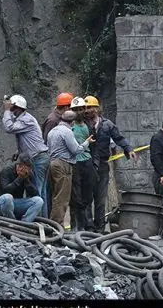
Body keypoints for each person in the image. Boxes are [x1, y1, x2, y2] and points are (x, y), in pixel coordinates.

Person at [83, 95, 136, 233]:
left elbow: (119, 138)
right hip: (87, 165)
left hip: (102, 165)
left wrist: (128, 149)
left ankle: (99, 227)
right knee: (87, 197)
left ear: (97, 108)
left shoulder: (107, 125)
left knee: (100, 199)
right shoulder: (81, 125)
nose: (88, 110)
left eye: (90, 107)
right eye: (86, 108)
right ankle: (88, 227)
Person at [2, 94, 51, 218]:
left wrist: (7, 110)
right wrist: (19, 151)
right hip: (39, 156)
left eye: (13, 108)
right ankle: (43, 221)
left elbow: (9, 128)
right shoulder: (25, 119)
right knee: (41, 192)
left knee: (36, 191)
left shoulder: (26, 119)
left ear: (18, 108)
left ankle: (38, 222)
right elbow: (30, 139)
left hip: (37, 158)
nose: (11, 111)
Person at [47, 110, 94, 225]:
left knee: (56, 195)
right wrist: (86, 142)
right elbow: (76, 150)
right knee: (62, 198)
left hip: (52, 163)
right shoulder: (67, 132)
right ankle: (56, 226)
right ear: (72, 122)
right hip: (63, 165)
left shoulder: (53, 131)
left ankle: (54, 225)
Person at [69, 97, 97, 231]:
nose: (78, 112)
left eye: (80, 109)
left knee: (88, 194)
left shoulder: (89, 126)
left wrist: (94, 163)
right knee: (75, 196)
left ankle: (88, 225)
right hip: (74, 163)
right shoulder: (68, 127)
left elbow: (94, 146)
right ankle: (76, 226)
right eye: (75, 110)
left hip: (87, 162)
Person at [0, 153, 44, 222]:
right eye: (23, 167)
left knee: (39, 201)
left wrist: (26, 180)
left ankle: (25, 224)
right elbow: (5, 190)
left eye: (27, 168)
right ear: (18, 165)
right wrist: (19, 179)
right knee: (8, 197)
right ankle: (12, 222)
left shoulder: (28, 173)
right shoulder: (7, 171)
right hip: (0, 203)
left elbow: (34, 193)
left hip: (16, 204)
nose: (25, 170)